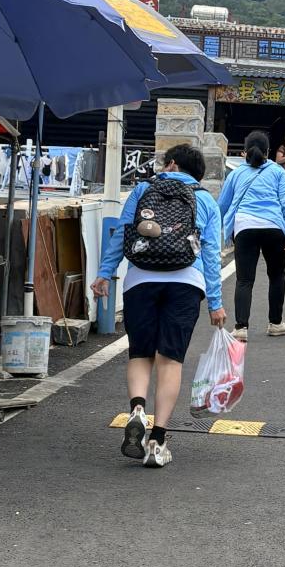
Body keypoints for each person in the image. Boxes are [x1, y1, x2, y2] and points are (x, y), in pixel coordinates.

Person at [92, 144, 225, 469]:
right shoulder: (205, 200)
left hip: (141, 280)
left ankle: (137, 409)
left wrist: (105, 273)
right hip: (186, 283)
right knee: (170, 360)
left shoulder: (142, 190)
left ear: (172, 164)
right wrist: (215, 303)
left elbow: (122, 235)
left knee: (140, 354)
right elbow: (210, 254)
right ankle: (157, 441)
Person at [218, 131, 285, 340]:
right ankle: (276, 323)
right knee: (277, 276)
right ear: (268, 151)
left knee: (244, 280)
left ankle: (241, 327)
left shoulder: (236, 174)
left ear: (245, 151)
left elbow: (222, 206)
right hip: (274, 227)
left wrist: (217, 232)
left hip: (244, 227)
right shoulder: (278, 172)